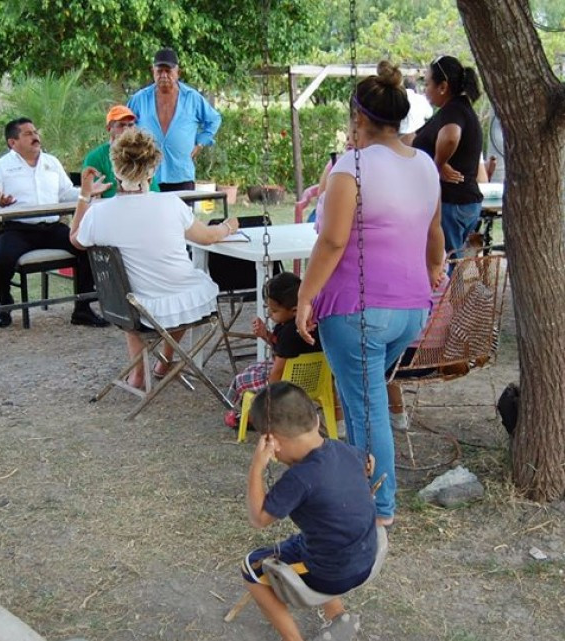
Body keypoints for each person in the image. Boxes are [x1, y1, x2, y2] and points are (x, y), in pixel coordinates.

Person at [297, 61, 444, 528]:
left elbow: (333, 240)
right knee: (367, 397)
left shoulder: (350, 167)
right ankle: (357, 487)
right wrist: (435, 268)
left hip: (357, 309)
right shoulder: (423, 164)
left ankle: (377, 509)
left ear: (357, 118)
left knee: (367, 407)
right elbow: (434, 232)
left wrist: (304, 296)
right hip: (411, 310)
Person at [71, 128, 237, 388]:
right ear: (152, 169)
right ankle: (166, 359)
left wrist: (84, 195)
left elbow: (75, 239)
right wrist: (228, 227)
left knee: (135, 291)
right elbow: (206, 237)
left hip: (128, 306)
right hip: (176, 298)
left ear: (116, 168)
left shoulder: (98, 213)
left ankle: (139, 372)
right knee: (189, 290)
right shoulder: (170, 204)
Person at [241, 382, 379, 641]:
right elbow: (370, 461)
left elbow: (258, 518)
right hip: (367, 555)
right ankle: (338, 616)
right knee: (312, 539)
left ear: (273, 441)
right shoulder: (345, 450)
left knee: (251, 567)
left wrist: (257, 467)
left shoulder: (299, 478)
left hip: (333, 573)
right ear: (316, 420)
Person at [0, 117, 109, 328]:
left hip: (51, 228)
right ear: (13, 142)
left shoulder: (52, 162)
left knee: (87, 246)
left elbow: (66, 192)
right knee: (0, 262)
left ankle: (83, 309)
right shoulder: (1, 167)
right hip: (17, 230)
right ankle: (4, 302)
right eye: (28, 134)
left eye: (35, 132)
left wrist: (87, 192)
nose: (35, 137)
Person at [223, 272, 323, 429]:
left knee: (241, 379)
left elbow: (278, 371)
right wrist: (265, 335)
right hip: (316, 380)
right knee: (254, 368)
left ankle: (250, 416)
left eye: (275, 311)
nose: (270, 314)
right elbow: (280, 347)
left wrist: (267, 397)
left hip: (288, 382)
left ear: (295, 310)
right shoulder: (313, 323)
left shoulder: (289, 333)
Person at [408, 55, 485, 257]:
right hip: (462, 201)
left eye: (428, 83)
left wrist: (438, 164)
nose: (426, 90)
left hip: (453, 202)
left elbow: (451, 136)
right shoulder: (453, 109)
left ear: (443, 87)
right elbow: (414, 137)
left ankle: (452, 290)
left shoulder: (454, 111)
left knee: (446, 263)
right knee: (455, 262)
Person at [127, 47, 222, 192]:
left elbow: (214, 119)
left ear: (178, 72)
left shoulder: (192, 98)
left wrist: (200, 143)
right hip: (147, 175)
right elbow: (125, 124)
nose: (164, 75)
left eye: (168, 71)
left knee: (182, 214)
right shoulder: (140, 99)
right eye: (159, 71)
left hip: (181, 174)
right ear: (153, 71)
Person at [81, 104, 158, 197]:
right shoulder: (95, 157)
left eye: (130, 125)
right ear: (109, 128)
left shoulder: (142, 152)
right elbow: (91, 192)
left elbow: (153, 187)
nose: (126, 129)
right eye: (121, 125)